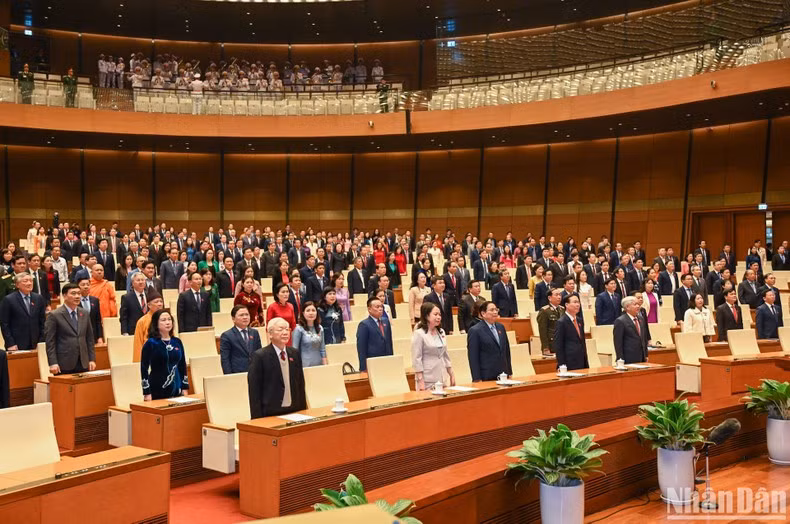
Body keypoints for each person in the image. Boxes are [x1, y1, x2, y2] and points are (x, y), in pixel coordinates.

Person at [247, 317, 307, 419]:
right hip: (270, 412)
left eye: (287, 329)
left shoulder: (294, 353)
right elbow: (254, 391)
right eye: (280, 329)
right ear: (270, 334)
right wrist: (257, 420)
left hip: (294, 410)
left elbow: (300, 384)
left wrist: (303, 411)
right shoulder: (260, 356)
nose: (285, 332)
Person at [45, 283, 96, 374]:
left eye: (79, 293)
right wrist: (53, 363)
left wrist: (92, 359)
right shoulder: (54, 315)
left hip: (83, 361)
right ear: (64, 296)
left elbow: (89, 339)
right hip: (63, 363)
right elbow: (50, 342)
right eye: (73, 293)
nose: (77, 296)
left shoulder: (84, 313)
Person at [140, 310, 188, 400]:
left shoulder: (177, 342)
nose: (167, 322)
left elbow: (182, 365)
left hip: (176, 388)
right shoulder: (151, 343)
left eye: (169, 319)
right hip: (156, 389)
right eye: (163, 320)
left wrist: (184, 387)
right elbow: (144, 368)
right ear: (156, 323)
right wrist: (146, 392)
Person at [412, 303, 455, 390]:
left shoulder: (441, 332)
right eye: (435, 314)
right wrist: (421, 381)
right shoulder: (419, 333)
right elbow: (417, 359)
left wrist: (451, 374)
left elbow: (445, 355)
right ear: (427, 316)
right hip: (427, 379)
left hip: (442, 376)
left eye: (439, 314)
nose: (438, 317)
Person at [467, 301, 512, 381]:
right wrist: (477, 378)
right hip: (486, 376)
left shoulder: (501, 327)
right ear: (483, 314)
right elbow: (473, 357)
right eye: (491, 310)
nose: (495, 312)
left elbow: (506, 351)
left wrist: (509, 372)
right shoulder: (475, 331)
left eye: (496, 309)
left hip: (503, 375)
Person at [0, 274, 46, 351]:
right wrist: (10, 343)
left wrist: (41, 341)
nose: (29, 283)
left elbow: (43, 322)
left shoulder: (38, 298)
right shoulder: (8, 300)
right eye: (25, 281)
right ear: (17, 285)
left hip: (36, 343)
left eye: (31, 281)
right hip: (17, 344)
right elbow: (4, 324)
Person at [219, 305, 263, 374]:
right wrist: (228, 376)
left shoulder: (254, 333)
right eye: (241, 315)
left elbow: (259, 353)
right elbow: (225, 359)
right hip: (237, 373)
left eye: (247, 314)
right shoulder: (227, 336)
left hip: (255, 372)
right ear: (233, 319)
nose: (245, 317)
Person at [356, 297, 394, 372]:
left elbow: (389, 342)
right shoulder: (364, 324)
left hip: (387, 360)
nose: (380, 309)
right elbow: (361, 348)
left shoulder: (386, 321)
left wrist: (392, 359)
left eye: (381, 306)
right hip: (373, 362)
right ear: (369, 309)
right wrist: (363, 368)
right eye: (377, 307)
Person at [552, 295, 589, 371]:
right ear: (566, 305)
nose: (578, 305)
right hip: (569, 362)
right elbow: (558, 345)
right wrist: (561, 364)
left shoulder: (579, 320)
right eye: (575, 302)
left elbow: (582, 342)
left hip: (581, 361)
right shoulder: (561, 322)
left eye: (578, 302)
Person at [613, 296, 650, 364]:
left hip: (642, 357)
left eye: (638, 304)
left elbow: (643, 338)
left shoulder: (641, 319)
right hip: (628, 358)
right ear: (627, 307)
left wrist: (646, 354)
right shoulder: (620, 321)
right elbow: (618, 343)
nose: (638, 306)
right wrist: (620, 359)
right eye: (635, 304)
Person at [292, 302, 326, 367]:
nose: (311, 313)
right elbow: (295, 351)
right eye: (308, 311)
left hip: (319, 364)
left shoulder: (320, 328)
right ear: (303, 313)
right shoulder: (299, 329)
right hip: (304, 365)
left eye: (313, 310)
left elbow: (322, 349)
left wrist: (325, 365)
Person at [133, 290, 164, 362]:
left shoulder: (166, 319)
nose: (159, 304)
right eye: (156, 302)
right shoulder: (142, 321)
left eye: (161, 301)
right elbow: (138, 345)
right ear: (149, 305)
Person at [537, 288, 564, 355]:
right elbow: (542, 331)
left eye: (560, 295)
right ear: (549, 298)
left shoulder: (562, 309)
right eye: (556, 295)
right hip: (552, 345)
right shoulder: (545, 311)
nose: (559, 297)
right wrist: (545, 348)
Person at [77, 276, 104, 344]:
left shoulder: (95, 300)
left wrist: (100, 337)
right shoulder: (75, 301)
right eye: (83, 285)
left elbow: (98, 320)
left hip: (93, 334)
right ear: (78, 287)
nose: (86, 287)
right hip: (79, 335)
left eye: (88, 285)